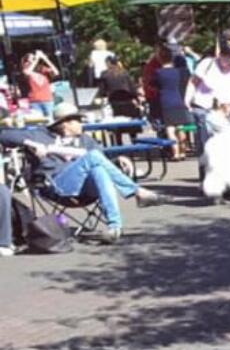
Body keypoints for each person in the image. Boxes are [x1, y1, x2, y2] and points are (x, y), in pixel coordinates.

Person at [29, 103, 164, 243]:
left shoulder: (85, 139)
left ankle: (114, 228)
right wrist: (29, 143)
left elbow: (101, 160)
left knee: (98, 169)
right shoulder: (43, 137)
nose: (82, 124)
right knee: (92, 156)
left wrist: (115, 161)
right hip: (58, 187)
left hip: (84, 188)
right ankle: (137, 191)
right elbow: (6, 135)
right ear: (65, 124)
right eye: (78, 121)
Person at [188, 40, 230, 141]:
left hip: (229, 114)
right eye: (227, 59)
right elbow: (193, 82)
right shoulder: (207, 64)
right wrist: (187, 100)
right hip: (205, 110)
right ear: (220, 55)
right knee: (207, 143)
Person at [145, 41, 193, 160]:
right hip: (178, 100)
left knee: (170, 129)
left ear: (160, 59)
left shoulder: (158, 73)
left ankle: (175, 153)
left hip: (166, 101)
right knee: (181, 127)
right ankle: (183, 151)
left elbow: (151, 84)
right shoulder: (178, 72)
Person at [19, 50, 58, 120]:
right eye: (31, 59)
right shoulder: (26, 70)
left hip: (47, 99)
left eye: (33, 58)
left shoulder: (42, 69)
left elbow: (56, 72)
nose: (33, 60)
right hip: (35, 101)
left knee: (50, 120)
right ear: (26, 62)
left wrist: (45, 58)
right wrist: (37, 58)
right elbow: (27, 72)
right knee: (38, 121)